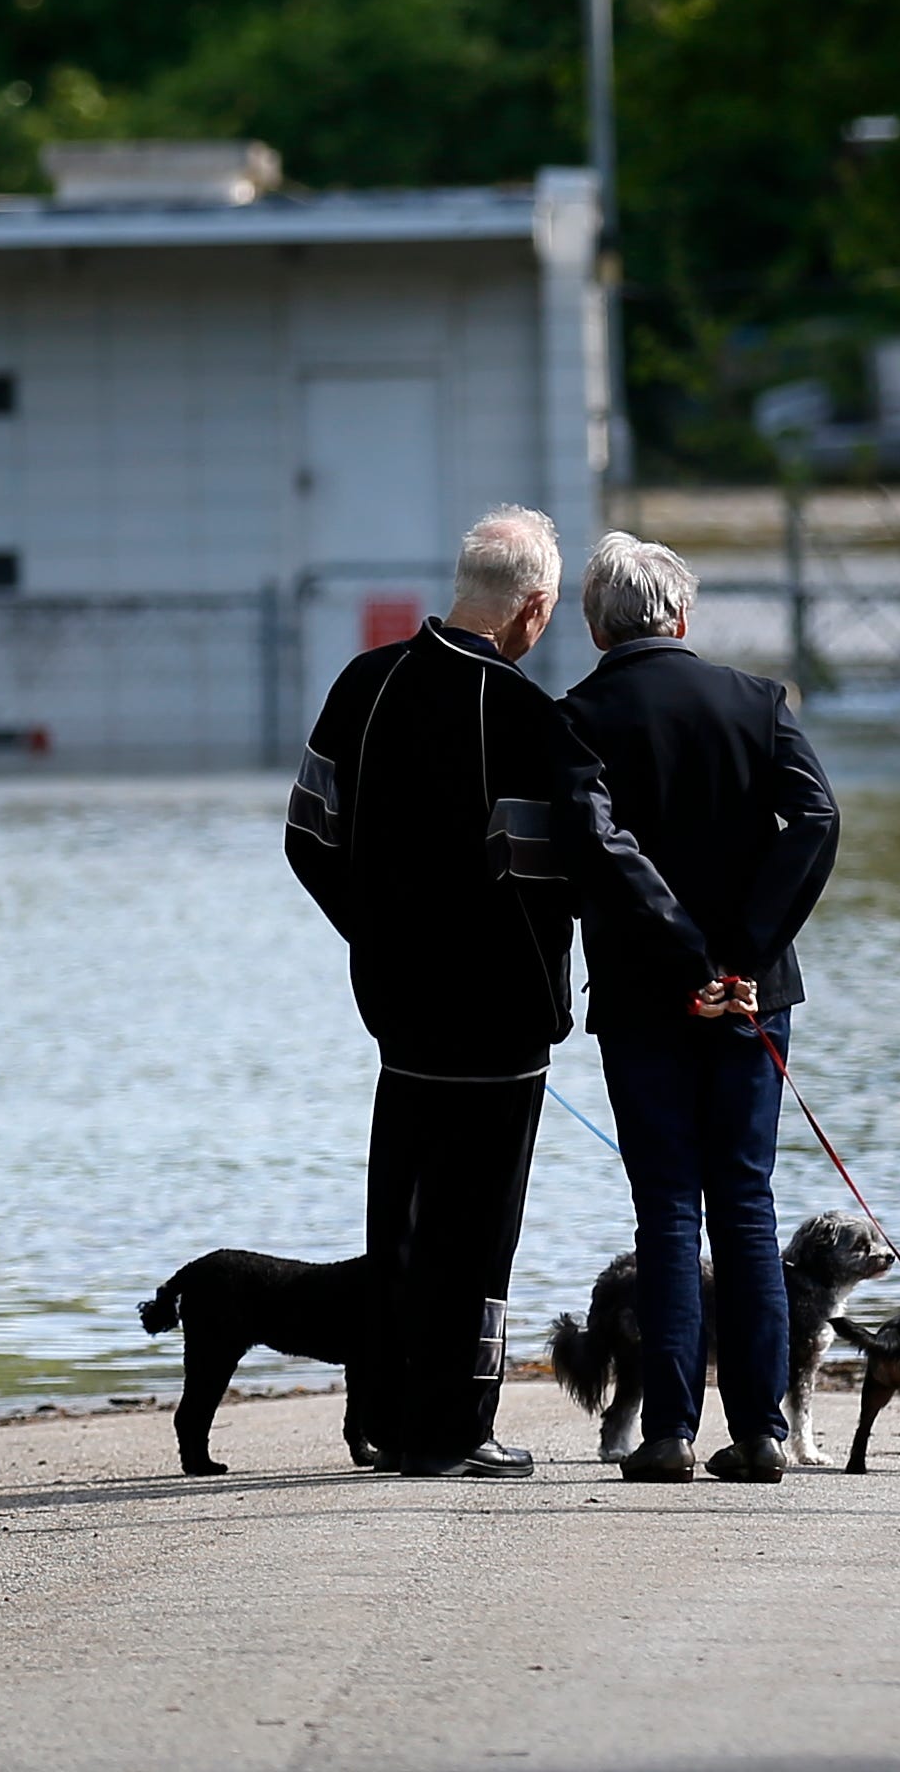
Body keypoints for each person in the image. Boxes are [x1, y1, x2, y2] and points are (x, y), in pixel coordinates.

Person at [287, 505, 713, 1478]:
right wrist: (550, 1001)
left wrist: (375, 939)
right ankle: (460, 1427)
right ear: (532, 607)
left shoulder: (365, 683)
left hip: (393, 1009)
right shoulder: (521, 716)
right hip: (494, 1021)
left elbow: (309, 836)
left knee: (397, 1216)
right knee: (480, 1228)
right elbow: (533, 884)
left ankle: (389, 1418)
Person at [558, 532, 839, 1485]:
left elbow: (601, 846)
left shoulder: (576, 718)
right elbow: (817, 819)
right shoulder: (757, 702)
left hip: (644, 997)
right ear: (681, 616)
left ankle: (670, 1434)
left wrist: (688, 953)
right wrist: (744, 953)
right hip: (753, 998)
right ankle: (760, 1432)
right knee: (747, 1207)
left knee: (667, 1212)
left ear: (597, 625)